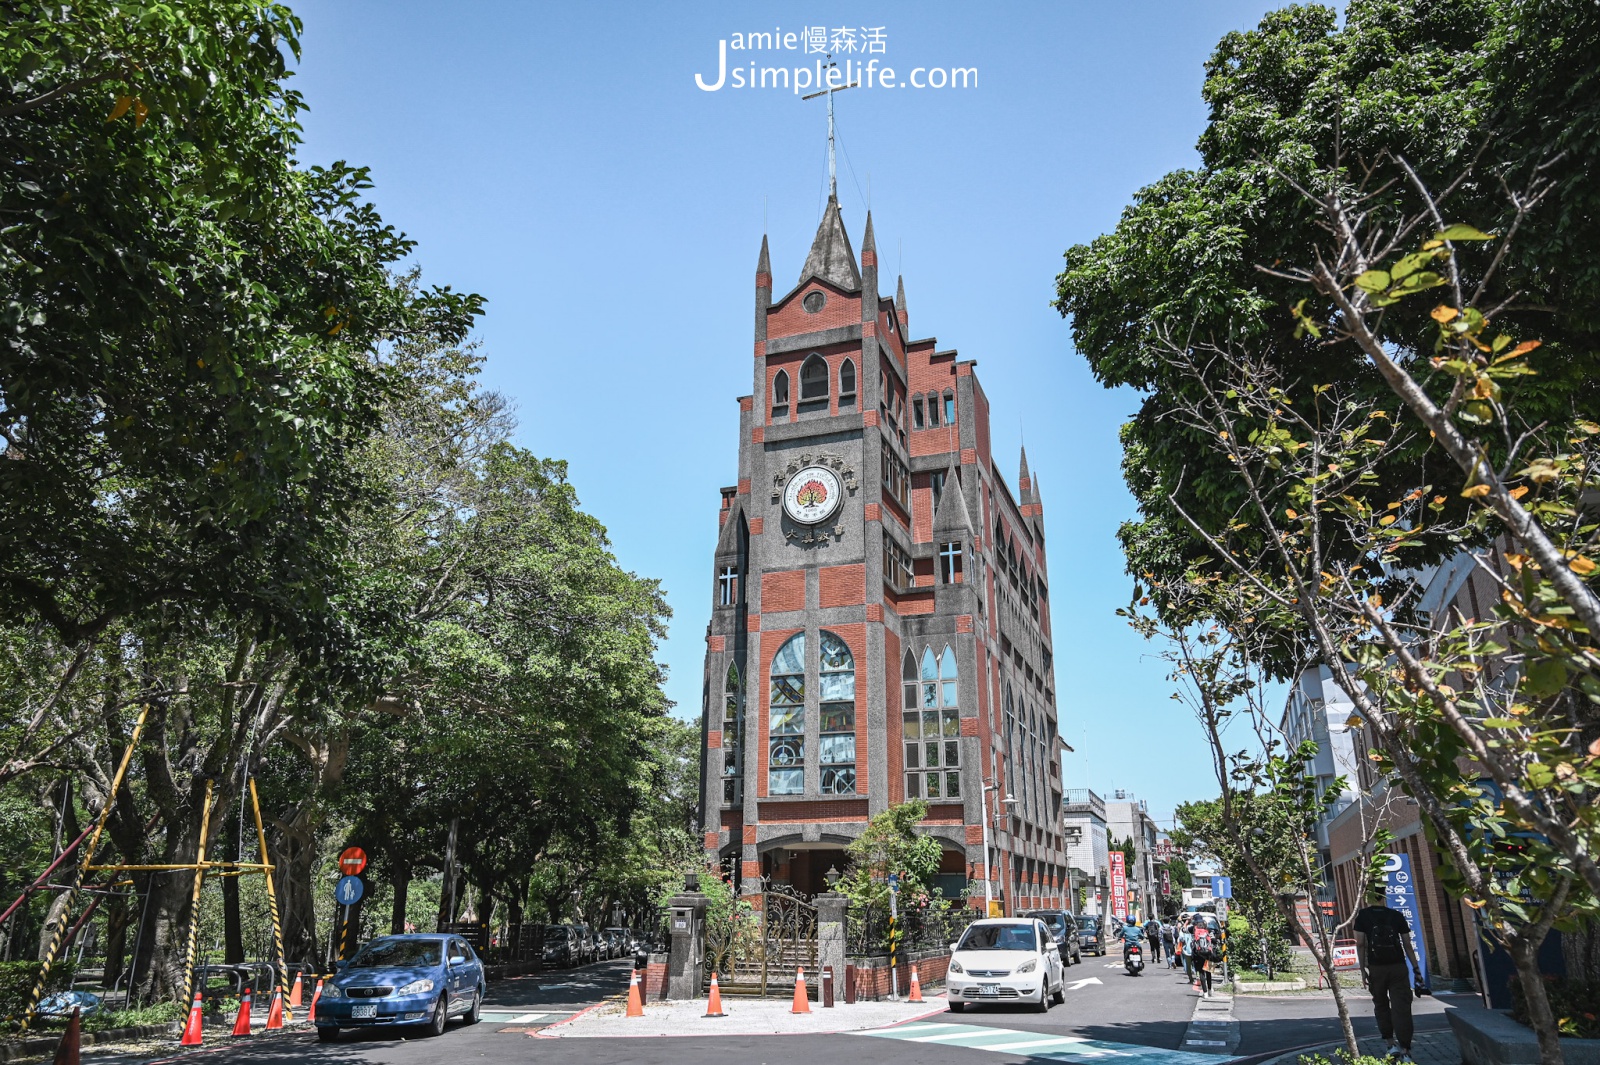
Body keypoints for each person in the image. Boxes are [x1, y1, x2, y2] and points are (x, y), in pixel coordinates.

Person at [1354, 885, 1425, 1063]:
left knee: (1381, 1004)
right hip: (1398, 967)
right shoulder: (1396, 915)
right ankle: (1406, 1051)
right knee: (1402, 1008)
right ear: (1383, 896)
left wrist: (1363, 970)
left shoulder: (1363, 916)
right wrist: (1416, 969)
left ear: (1367, 896)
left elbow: (1361, 944)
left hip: (1376, 968)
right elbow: (1408, 945)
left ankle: (1390, 1044)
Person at [1190, 918, 1217, 997]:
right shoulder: (1208, 931)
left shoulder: (1194, 932)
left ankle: (1205, 993)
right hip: (1208, 955)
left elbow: (1184, 930)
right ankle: (1209, 990)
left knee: (1201, 973)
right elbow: (1214, 941)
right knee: (1208, 973)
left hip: (1198, 955)